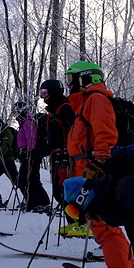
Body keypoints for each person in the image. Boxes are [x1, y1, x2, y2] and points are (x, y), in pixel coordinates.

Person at [64, 61, 134, 268]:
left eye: (72, 79)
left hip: (94, 171)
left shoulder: (96, 99)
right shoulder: (84, 103)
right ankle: (126, 265)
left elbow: (105, 133)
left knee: (102, 222)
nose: (69, 84)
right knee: (98, 221)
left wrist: (99, 163)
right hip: (86, 169)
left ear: (86, 79)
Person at [38, 79, 75, 207]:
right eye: (41, 93)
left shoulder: (64, 108)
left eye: (44, 92)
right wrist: (41, 152)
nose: (42, 96)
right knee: (58, 192)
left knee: (63, 191)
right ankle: (70, 217)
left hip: (65, 156)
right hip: (55, 155)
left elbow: (74, 130)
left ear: (54, 92)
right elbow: (53, 137)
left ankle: (76, 220)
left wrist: (68, 150)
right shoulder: (52, 112)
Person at [13, 101, 51, 213]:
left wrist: (31, 152)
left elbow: (32, 138)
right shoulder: (23, 123)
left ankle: (44, 203)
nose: (15, 115)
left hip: (32, 155)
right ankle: (32, 202)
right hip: (26, 155)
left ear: (21, 111)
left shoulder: (28, 122)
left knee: (33, 179)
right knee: (23, 180)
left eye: (16, 112)